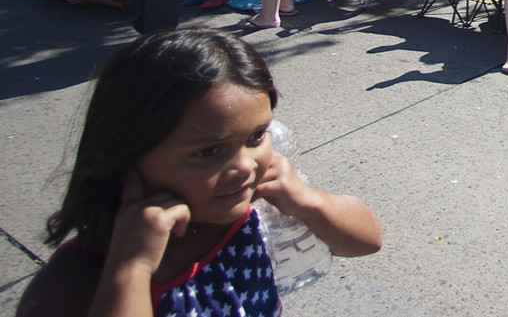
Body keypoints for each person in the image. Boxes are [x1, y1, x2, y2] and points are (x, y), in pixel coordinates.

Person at [17, 31, 381, 316]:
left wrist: (305, 198)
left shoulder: (250, 211)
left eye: (256, 136)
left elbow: (366, 241)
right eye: (208, 151)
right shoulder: (78, 279)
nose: (244, 166)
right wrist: (130, 271)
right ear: (127, 153)